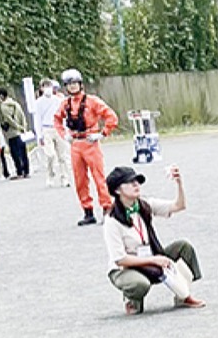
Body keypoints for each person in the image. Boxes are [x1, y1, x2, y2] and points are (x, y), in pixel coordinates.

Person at [103, 164, 204, 314]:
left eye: (137, 180)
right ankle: (132, 299)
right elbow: (120, 259)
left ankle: (183, 294)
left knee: (184, 247)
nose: (136, 184)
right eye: (130, 182)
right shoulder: (112, 221)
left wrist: (179, 183)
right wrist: (154, 260)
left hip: (151, 257)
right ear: (117, 190)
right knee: (140, 284)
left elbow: (179, 206)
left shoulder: (144, 205)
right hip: (125, 268)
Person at [54, 68, 117, 225]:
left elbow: (111, 117)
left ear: (80, 84)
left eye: (75, 83)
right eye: (69, 84)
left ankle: (107, 209)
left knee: (99, 178)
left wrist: (102, 133)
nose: (73, 86)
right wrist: (64, 135)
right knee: (80, 180)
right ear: (65, 87)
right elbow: (56, 120)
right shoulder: (65, 104)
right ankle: (87, 211)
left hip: (91, 142)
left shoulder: (92, 101)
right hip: (75, 144)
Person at [32, 78, 72, 187]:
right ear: (41, 88)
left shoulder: (58, 100)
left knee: (62, 156)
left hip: (58, 128)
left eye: (49, 86)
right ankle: (50, 175)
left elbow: (64, 116)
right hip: (46, 129)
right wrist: (39, 135)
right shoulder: (38, 102)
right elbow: (38, 119)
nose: (48, 89)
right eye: (45, 86)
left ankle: (65, 178)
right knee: (50, 155)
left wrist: (66, 130)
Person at [0, 88, 30, 179]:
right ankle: (26, 171)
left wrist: (17, 127)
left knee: (15, 153)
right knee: (23, 152)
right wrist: (23, 127)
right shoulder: (15, 103)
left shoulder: (4, 106)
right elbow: (22, 115)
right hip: (20, 133)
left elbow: (9, 120)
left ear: (1, 96)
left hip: (12, 133)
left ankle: (19, 172)